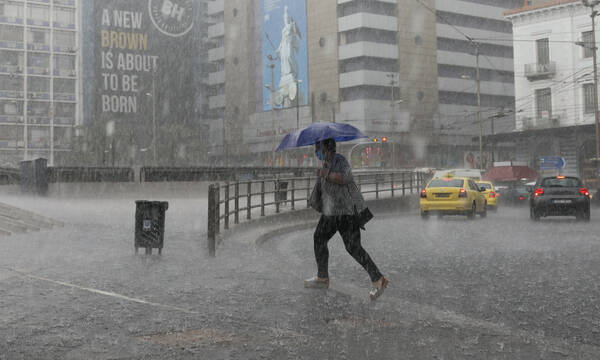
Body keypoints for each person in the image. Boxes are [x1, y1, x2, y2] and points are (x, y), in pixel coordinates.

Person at [305, 138, 389, 300]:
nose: (317, 152)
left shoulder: (339, 160)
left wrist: (326, 174)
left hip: (346, 212)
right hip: (332, 212)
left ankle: (378, 279)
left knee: (353, 248)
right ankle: (322, 277)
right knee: (320, 238)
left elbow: (346, 177)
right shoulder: (326, 163)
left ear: (327, 149)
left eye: (318, 148)